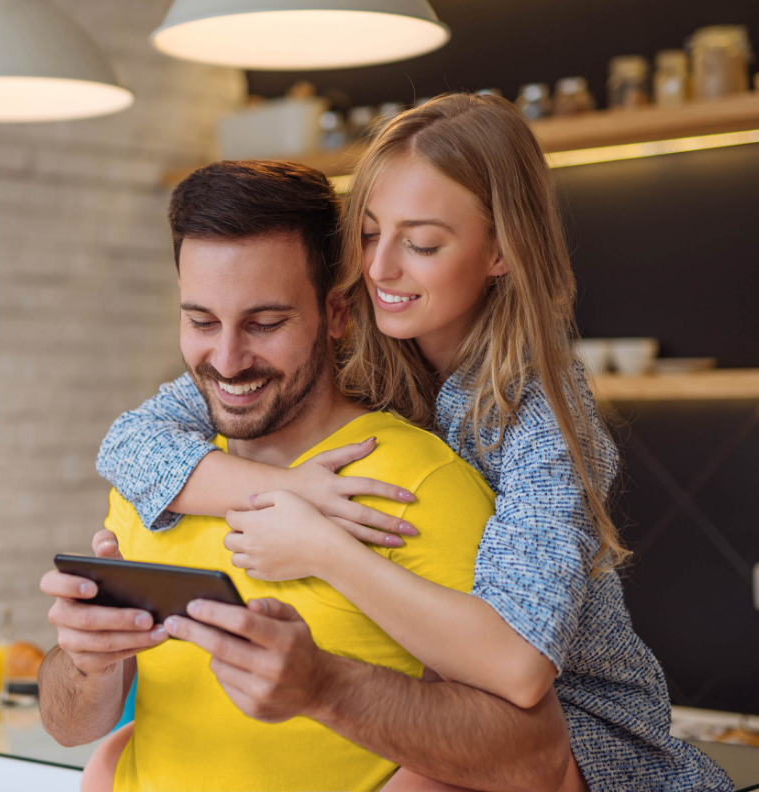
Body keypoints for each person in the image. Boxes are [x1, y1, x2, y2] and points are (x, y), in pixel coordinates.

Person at [97, 95, 734, 791]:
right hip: (433, 681)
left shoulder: (544, 412)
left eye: (422, 244)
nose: (381, 270)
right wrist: (289, 490)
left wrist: (323, 547)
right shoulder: (343, 346)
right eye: (368, 235)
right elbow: (132, 442)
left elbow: (520, 665)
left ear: (501, 251)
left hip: (572, 720)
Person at [38, 160, 574, 792]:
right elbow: (69, 726)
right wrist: (86, 665)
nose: (229, 360)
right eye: (202, 321)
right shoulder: (163, 476)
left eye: (266, 323)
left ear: (338, 314)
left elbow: (532, 758)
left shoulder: (417, 484)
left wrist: (323, 687)